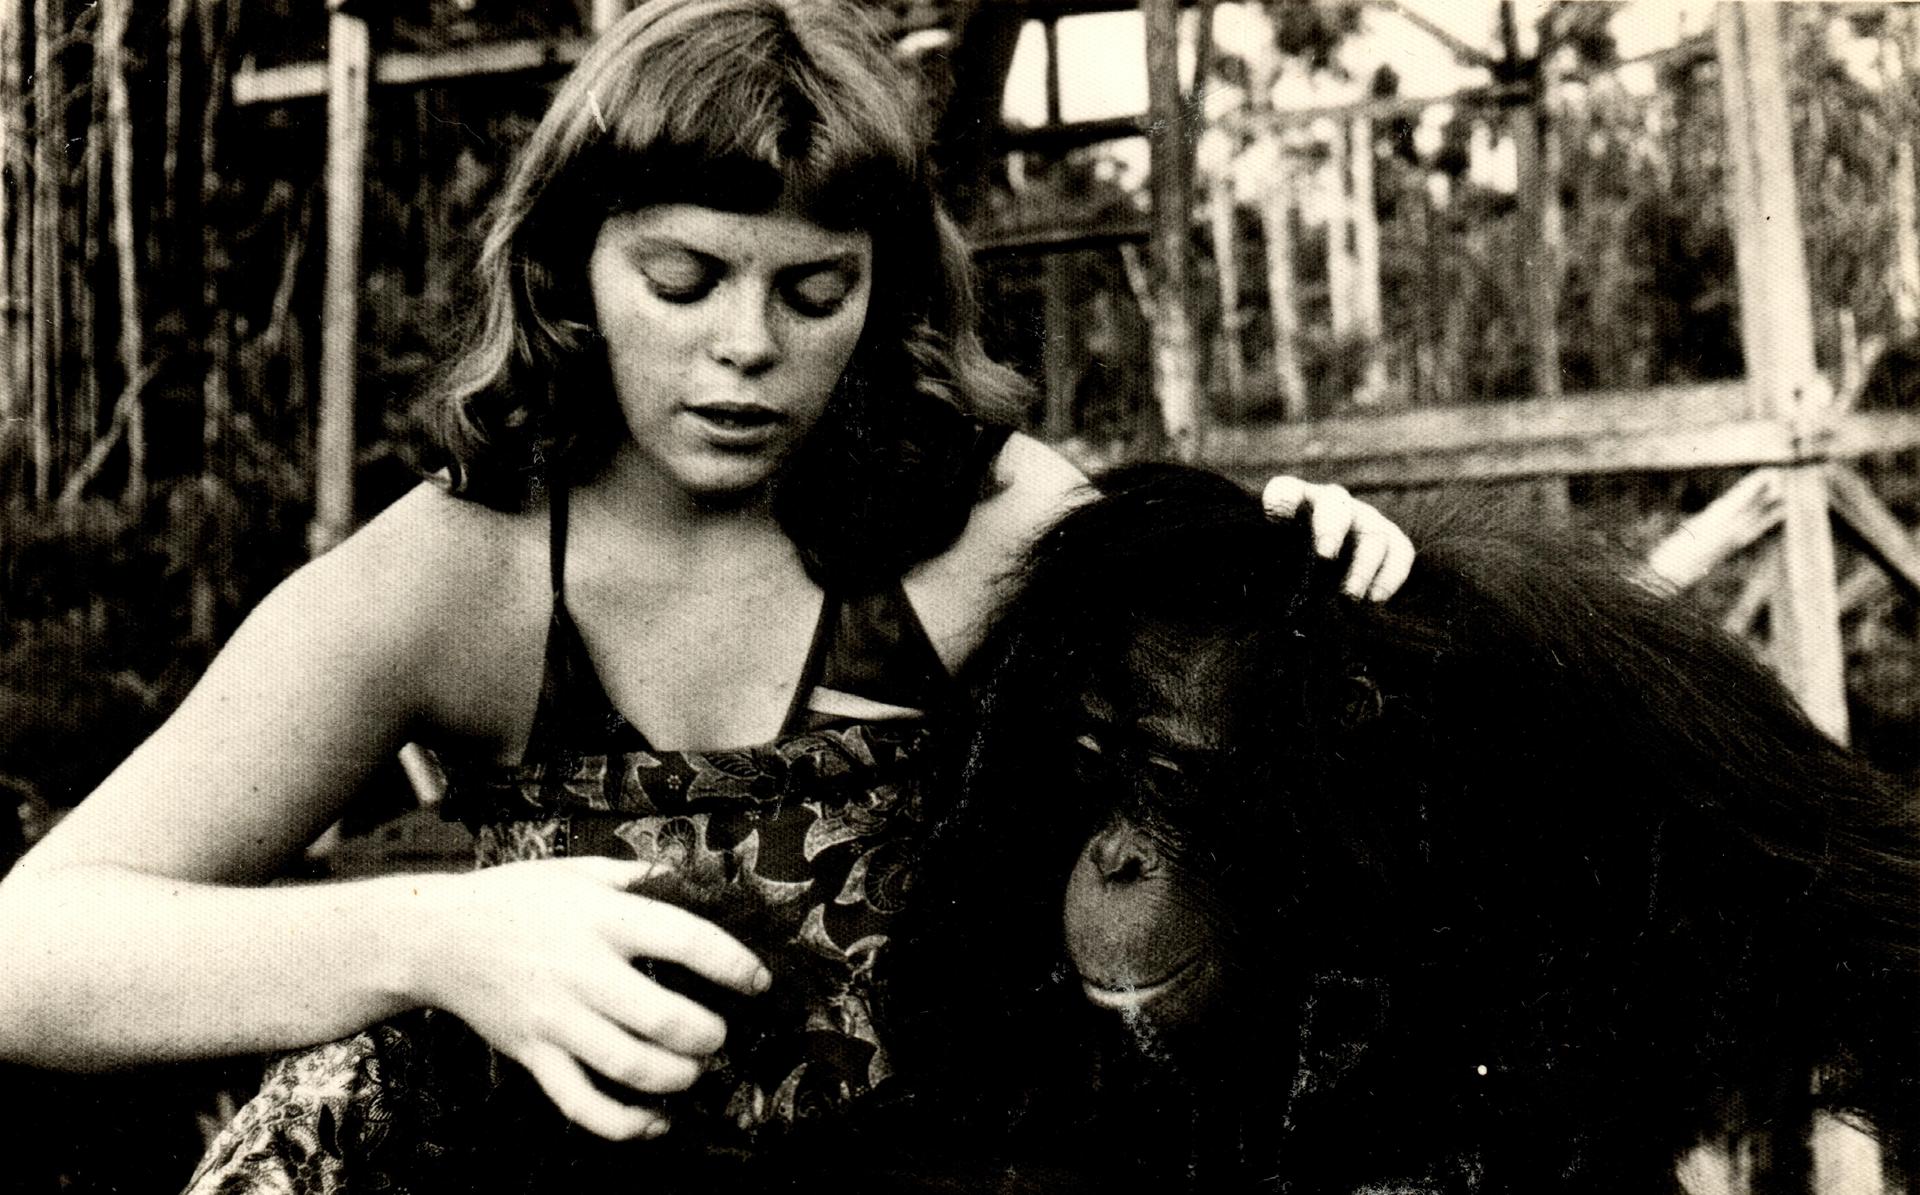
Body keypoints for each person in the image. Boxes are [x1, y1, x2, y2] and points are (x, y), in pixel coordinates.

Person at [0, 0, 1412, 1185]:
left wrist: (1296, 567)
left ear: (885, 292)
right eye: (682, 279)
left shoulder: (981, 521)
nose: (747, 345)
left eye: (815, 292)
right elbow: (29, 952)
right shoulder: (465, 570)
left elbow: (1247, 754)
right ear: (570, 266)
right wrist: (433, 938)